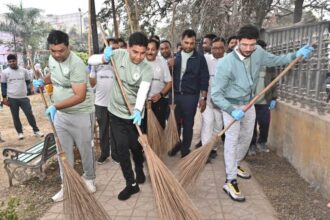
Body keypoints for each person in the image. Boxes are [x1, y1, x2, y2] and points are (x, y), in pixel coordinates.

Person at [211, 24, 314, 202]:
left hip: (249, 103)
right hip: (231, 106)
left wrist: (295, 55)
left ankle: (234, 164)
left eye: (252, 45)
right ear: (237, 42)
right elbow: (216, 95)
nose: (249, 49)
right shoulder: (226, 64)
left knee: (246, 137)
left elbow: (274, 60)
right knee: (232, 141)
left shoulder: (257, 51)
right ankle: (230, 180)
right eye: (245, 45)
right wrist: (230, 110)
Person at [33, 30, 96, 202]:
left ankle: (89, 178)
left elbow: (80, 95)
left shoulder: (76, 64)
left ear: (68, 47)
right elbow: (53, 74)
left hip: (81, 113)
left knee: (84, 148)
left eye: (61, 50)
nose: (57, 54)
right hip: (60, 115)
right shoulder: (53, 58)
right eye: (53, 51)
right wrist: (43, 81)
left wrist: (55, 106)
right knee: (63, 152)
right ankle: (67, 184)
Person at [88, 32, 152, 201]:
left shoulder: (146, 68)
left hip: (134, 117)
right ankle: (131, 184)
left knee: (136, 148)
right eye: (135, 52)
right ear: (128, 48)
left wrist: (138, 110)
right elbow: (90, 60)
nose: (138, 57)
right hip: (115, 113)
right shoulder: (118, 55)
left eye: (142, 53)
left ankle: (139, 169)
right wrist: (104, 58)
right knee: (122, 150)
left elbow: (143, 91)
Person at [168, 29, 209, 158]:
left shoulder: (200, 58)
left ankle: (185, 149)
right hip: (175, 95)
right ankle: (177, 144)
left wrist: (203, 97)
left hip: (190, 96)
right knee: (174, 124)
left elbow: (204, 79)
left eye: (192, 43)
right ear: (181, 41)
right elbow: (167, 78)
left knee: (188, 124)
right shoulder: (175, 57)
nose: (189, 46)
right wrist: (169, 66)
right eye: (186, 42)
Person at [1, 54, 43, 140]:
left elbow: (28, 81)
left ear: (16, 61)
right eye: (10, 61)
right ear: (8, 62)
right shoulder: (5, 72)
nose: (12, 63)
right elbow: (3, 86)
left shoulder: (24, 71)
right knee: (15, 116)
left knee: (29, 114)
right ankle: (20, 132)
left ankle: (36, 130)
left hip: (23, 97)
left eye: (13, 61)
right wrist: (4, 98)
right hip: (12, 98)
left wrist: (30, 89)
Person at [89, 38, 118, 165]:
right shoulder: (96, 65)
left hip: (114, 104)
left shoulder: (115, 65)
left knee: (115, 130)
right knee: (103, 130)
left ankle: (116, 154)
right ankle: (104, 154)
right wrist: (92, 73)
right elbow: (92, 84)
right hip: (100, 104)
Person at [248, 40, 277, 156]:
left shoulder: (270, 66)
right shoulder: (249, 64)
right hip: (251, 102)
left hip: (265, 101)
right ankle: (252, 145)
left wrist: (274, 98)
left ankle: (262, 142)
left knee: (265, 123)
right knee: (251, 125)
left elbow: (274, 82)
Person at [202, 37, 226, 162]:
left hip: (222, 102)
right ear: (211, 48)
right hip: (207, 99)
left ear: (225, 48)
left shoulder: (229, 60)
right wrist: (202, 98)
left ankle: (213, 148)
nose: (217, 51)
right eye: (215, 48)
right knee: (208, 124)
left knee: (218, 126)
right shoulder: (205, 59)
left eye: (220, 48)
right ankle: (205, 151)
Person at [143, 38, 172, 129]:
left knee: (159, 129)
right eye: (148, 49)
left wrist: (160, 95)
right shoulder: (140, 61)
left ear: (157, 50)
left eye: (153, 49)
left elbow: (169, 83)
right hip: (142, 104)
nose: (150, 52)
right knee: (143, 131)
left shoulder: (162, 61)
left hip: (158, 103)